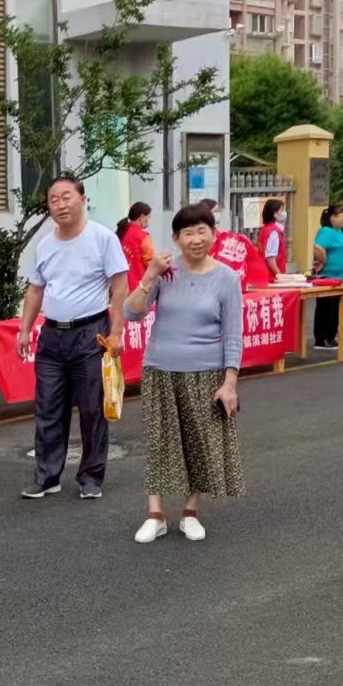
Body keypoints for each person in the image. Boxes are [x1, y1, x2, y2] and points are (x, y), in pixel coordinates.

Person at [123, 202, 245, 543]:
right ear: (176, 239)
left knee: (199, 444)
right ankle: (155, 515)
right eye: (187, 233)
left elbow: (233, 335)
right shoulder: (165, 271)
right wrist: (150, 274)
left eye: (202, 231)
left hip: (205, 373)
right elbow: (131, 313)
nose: (195, 239)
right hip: (160, 370)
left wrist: (229, 384)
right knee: (159, 442)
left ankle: (190, 512)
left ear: (214, 234)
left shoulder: (227, 278)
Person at [17, 175, 129, 500]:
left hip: (91, 334)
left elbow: (120, 287)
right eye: (53, 200)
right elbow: (35, 290)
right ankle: (47, 476)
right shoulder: (45, 245)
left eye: (67, 197)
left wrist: (116, 332)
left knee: (93, 409)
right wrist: (25, 329)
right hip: (52, 336)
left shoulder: (103, 238)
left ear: (82, 199)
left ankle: (91, 477)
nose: (60, 204)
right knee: (48, 407)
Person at [311, 203, 343, 349]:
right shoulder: (326, 231)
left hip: (339, 278)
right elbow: (318, 247)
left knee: (335, 309)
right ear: (332, 217)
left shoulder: (338, 231)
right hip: (328, 277)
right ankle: (322, 339)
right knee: (326, 309)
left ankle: (330, 336)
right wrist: (322, 260)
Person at [209, 209, 275, 287]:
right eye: (214, 211)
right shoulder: (271, 231)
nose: (217, 214)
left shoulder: (227, 239)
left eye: (217, 211)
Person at [116, 202, 156, 288]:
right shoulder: (143, 236)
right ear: (142, 217)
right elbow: (150, 262)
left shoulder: (121, 231)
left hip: (120, 285)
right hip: (138, 286)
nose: (148, 221)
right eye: (148, 217)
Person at [257, 198, 288, 278]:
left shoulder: (265, 229)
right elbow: (270, 258)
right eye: (281, 210)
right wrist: (279, 275)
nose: (284, 213)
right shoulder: (274, 232)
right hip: (272, 277)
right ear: (274, 214)